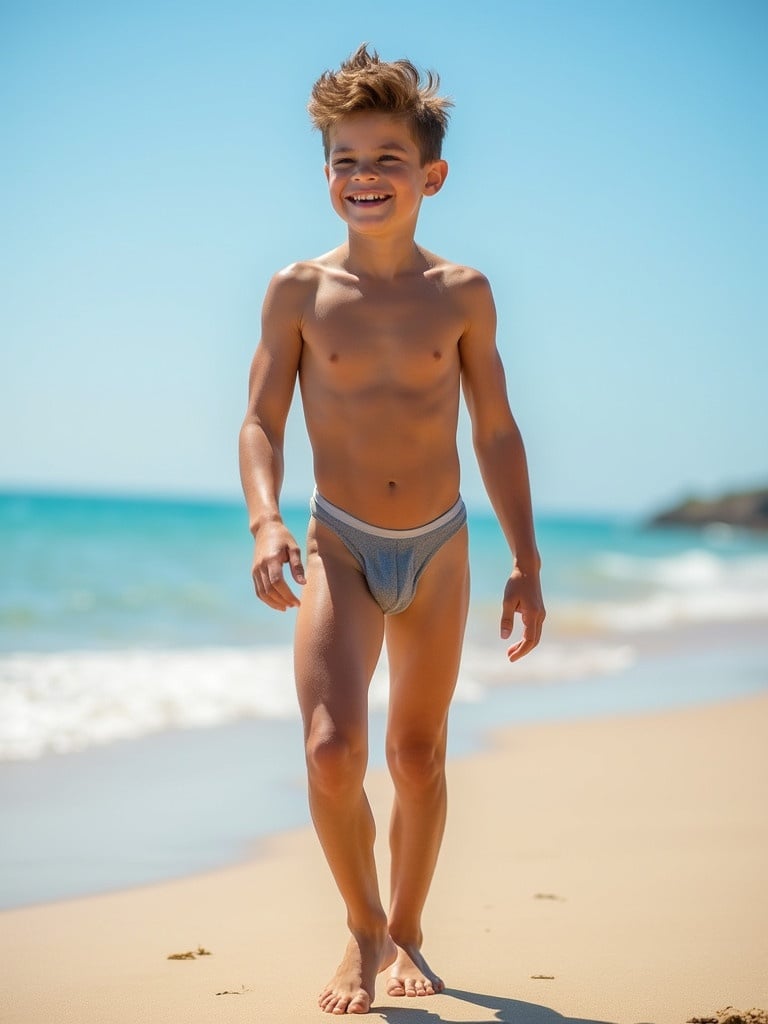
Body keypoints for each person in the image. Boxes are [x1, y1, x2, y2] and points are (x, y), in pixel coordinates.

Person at [239, 43, 545, 1015]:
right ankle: (362, 929)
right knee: (332, 747)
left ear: (431, 176)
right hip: (336, 540)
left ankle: (409, 930)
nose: (363, 177)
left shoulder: (462, 293)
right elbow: (260, 420)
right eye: (344, 159)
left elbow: (494, 426)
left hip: (441, 544)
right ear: (324, 171)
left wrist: (526, 563)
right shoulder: (297, 290)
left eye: (386, 159)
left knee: (417, 755)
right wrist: (264, 522)